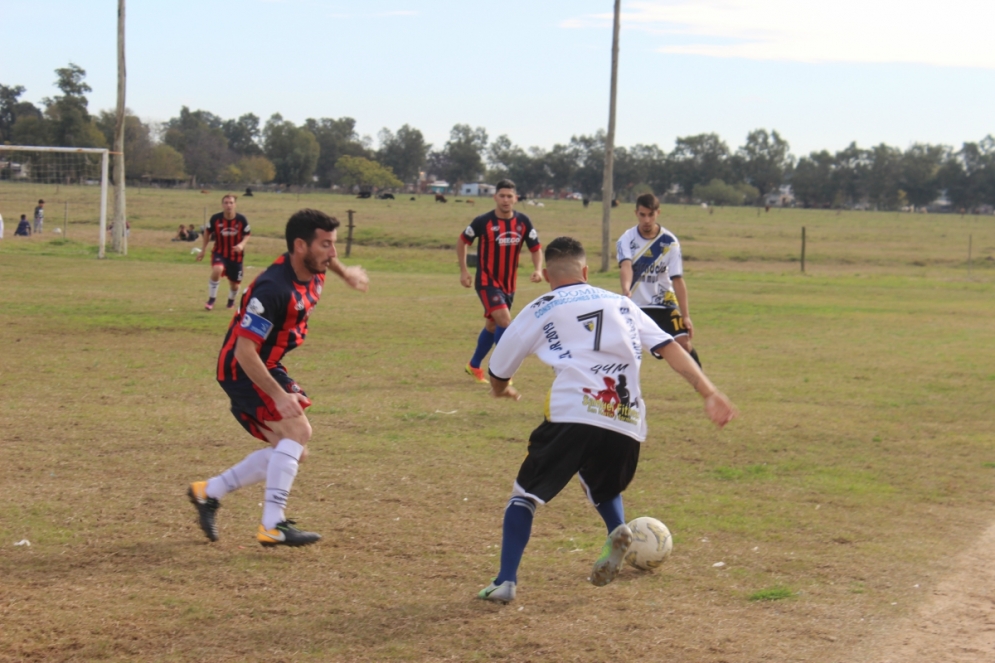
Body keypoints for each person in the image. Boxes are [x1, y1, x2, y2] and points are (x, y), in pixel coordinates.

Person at [477, 236, 737, 603]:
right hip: (626, 418)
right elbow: (669, 347)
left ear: (548, 276)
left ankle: (505, 581)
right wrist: (708, 392)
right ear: (585, 271)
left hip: (573, 412)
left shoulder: (542, 306)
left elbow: (499, 367)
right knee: (600, 483)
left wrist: (501, 389)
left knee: (525, 496)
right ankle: (617, 527)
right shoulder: (622, 303)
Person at [187, 208, 369, 547]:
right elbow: (244, 351)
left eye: (334, 244)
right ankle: (273, 525)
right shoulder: (273, 289)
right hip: (243, 368)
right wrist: (278, 395)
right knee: (299, 432)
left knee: (293, 451)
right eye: (325, 245)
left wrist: (346, 274)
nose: (332, 253)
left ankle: (208, 492)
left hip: (269, 362)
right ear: (300, 246)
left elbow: (330, 261)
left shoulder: (313, 267)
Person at [456, 179, 542, 383]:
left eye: (509, 196)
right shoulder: (483, 221)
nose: (505, 200)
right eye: (502, 196)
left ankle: (473, 365)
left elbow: (536, 248)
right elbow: (462, 241)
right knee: (504, 322)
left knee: (492, 327)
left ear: (515, 198)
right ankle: (501, 372)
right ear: (495, 197)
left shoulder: (523, 222)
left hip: (509, 285)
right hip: (487, 282)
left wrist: (538, 269)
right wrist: (464, 271)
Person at [617, 193, 701, 366]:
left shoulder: (670, 242)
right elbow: (626, 266)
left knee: (684, 344)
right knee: (623, 350)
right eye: (642, 215)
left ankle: (702, 381)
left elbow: (677, 279)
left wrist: (686, 316)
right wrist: (626, 290)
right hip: (637, 306)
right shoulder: (626, 239)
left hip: (664, 304)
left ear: (658, 213)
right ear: (636, 213)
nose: (646, 220)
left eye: (651, 215)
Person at [197, 194, 250, 310]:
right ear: (222, 205)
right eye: (226, 203)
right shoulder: (215, 218)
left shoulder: (241, 219)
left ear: (235, 205)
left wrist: (241, 245)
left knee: (235, 285)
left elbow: (247, 234)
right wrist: (203, 250)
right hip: (220, 252)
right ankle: (211, 299)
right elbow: (207, 232)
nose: (228, 205)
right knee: (217, 269)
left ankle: (231, 301)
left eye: (231, 203)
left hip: (236, 256)